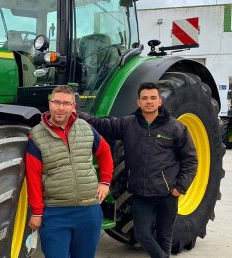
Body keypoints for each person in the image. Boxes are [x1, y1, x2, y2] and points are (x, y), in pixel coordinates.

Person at [79, 82, 198, 258]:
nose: (148, 102)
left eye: (152, 98)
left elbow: (190, 160)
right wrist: (75, 113)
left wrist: (179, 188)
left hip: (167, 194)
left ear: (160, 101)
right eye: (144, 98)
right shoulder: (128, 124)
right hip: (141, 194)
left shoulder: (175, 127)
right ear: (138, 102)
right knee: (142, 235)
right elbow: (101, 124)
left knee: (164, 238)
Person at [26, 85, 114, 258]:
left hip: (89, 210)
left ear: (73, 106)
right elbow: (33, 177)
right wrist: (36, 212)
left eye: (66, 103)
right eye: (57, 102)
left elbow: (105, 152)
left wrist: (105, 181)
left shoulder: (86, 128)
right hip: (56, 212)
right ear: (50, 104)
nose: (61, 108)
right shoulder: (36, 136)